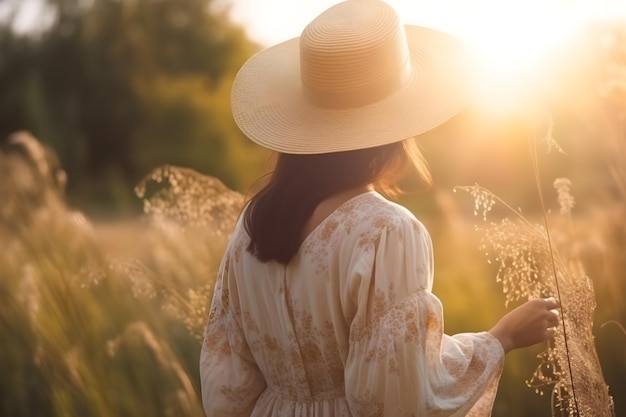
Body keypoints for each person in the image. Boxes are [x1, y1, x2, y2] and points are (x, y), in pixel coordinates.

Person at [199, 0, 561, 415]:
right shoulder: (386, 231)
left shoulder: (252, 224)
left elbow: (226, 382)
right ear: (394, 129)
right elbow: (397, 395)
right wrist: (500, 339)